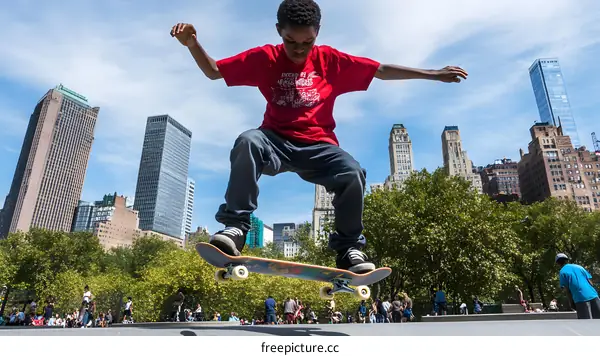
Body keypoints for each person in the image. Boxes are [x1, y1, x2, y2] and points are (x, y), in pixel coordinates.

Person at [170, 0, 467, 273]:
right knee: (248, 140)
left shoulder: (331, 61)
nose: (299, 49)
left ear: (318, 33)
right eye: (290, 41)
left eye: (307, 42)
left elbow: (381, 70)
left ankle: (348, 248)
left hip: (319, 147)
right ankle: (236, 227)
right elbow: (214, 71)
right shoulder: (264, 58)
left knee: (352, 171)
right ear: (279, 32)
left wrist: (433, 73)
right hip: (274, 142)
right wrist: (192, 43)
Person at [555, 253, 600, 319]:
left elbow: (567, 290)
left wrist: (571, 302)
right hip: (594, 296)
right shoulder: (579, 267)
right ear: (566, 260)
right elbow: (590, 283)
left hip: (580, 298)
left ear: (558, 263)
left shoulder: (562, 272)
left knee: (586, 323)